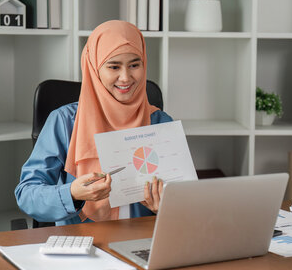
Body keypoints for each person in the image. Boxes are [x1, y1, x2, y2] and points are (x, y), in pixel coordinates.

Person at [15, 20, 173, 225]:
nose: (125, 77)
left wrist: (166, 207)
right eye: (113, 66)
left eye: (135, 64)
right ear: (94, 69)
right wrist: (72, 193)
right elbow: (26, 194)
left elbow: (185, 199)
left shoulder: (160, 122)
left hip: (142, 244)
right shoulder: (65, 122)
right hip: (82, 245)